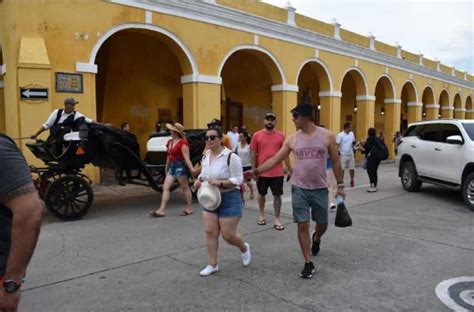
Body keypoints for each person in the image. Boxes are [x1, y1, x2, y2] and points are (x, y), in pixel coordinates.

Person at [253, 102, 345, 279]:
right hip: (299, 188)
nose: (293, 120)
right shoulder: (292, 139)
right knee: (302, 224)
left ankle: (317, 238)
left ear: (305, 116)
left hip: (319, 189)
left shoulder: (327, 136)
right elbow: (275, 160)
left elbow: (336, 162)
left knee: (322, 224)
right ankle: (308, 262)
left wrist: (340, 186)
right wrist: (257, 171)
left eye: (295, 116)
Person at [193, 128, 251, 276]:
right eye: (206, 138)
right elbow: (204, 174)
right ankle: (212, 264)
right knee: (210, 232)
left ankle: (243, 247)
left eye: (212, 137)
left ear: (220, 139)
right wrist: (199, 180)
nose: (209, 140)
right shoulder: (206, 156)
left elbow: (239, 179)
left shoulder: (231, 157)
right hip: (210, 197)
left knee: (228, 235)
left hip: (229, 197)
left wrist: (220, 182)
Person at [0, 134, 43, 311]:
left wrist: (11, 284)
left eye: (71, 104)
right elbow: (47, 125)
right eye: (68, 103)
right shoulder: (57, 115)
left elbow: (29, 210)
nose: (70, 106)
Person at [250, 112, 291, 231]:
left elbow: (285, 154)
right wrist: (253, 169)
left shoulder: (281, 136)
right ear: (264, 121)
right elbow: (253, 153)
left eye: (272, 120)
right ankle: (261, 214)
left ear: (275, 122)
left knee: (277, 196)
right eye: (267, 119)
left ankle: (277, 218)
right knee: (261, 194)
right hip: (262, 171)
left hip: (277, 172)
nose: (270, 122)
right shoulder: (257, 135)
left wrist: (288, 168)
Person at [149, 123, 196, 217]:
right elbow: (168, 156)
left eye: (171, 130)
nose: (170, 131)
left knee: (185, 188)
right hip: (172, 167)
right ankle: (161, 210)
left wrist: (192, 170)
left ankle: (189, 208)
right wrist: (166, 167)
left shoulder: (183, 144)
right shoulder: (170, 142)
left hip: (180, 167)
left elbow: (187, 158)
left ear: (176, 132)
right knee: (165, 187)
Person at [360, 127, 382, 193]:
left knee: (370, 171)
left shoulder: (369, 139)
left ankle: (372, 185)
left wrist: (361, 147)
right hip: (378, 158)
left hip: (371, 158)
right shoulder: (378, 139)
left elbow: (366, 149)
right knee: (374, 171)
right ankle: (375, 185)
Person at [336, 123, 356, 188]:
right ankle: (341, 181)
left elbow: (353, 142)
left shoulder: (352, 134)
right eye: (350, 127)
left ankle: (352, 180)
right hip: (343, 154)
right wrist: (337, 152)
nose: (351, 128)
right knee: (342, 169)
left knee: (352, 168)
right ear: (347, 128)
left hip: (351, 154)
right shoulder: (340, 135)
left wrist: (354, 148)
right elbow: (337, 144)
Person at [236, 131, 254, 200]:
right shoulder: (238, 144)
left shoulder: (249, 145)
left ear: (245, 137)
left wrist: (253, 167)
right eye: (239, 136)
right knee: (240, 181)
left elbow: (253, 156)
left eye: (241, 136)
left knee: (247, 181)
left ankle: (252, 190)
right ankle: (241, 196)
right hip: (239, 165)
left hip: (247, 165)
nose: (239, 137)